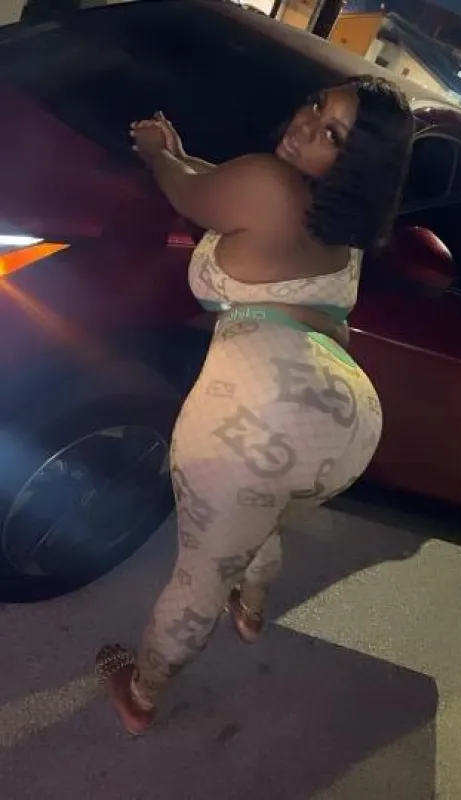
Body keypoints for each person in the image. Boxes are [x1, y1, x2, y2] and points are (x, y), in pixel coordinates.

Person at [96, 75, 414, 735]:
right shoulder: (345, 222)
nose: (306, 125)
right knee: (262, 523)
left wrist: (159, 151)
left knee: (199, 577)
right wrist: (183, 154)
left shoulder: (266, 182)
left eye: (333, 134)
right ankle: (251, 609)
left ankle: (140, 696)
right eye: (317, 106)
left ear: (355, 159)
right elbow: (224, 189)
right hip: (346, 419)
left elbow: (187, 190)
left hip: (262, 410)